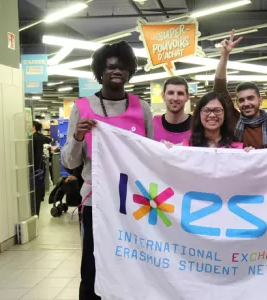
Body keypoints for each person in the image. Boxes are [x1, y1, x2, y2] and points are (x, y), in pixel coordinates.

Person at [60, 41, 154, 300]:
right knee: (92, 264)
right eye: (111, 66)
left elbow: (152, 156)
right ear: (100, 71)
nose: (117, 71)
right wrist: (79, 137)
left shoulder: (142, 108)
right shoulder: (83, 107)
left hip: (133, 202)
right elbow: (70, 162)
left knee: (133, 261)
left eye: (123, 67)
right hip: (97, 201)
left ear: (129, 72)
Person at [213, 30, 267, 148]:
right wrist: (224, 56)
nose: (246, 103)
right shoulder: (233, 119)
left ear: (260, 100)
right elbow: (219, 88)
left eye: (250, 98)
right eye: (241, 100)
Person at [164, 92, 252, 150]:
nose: (212, 115)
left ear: (224, 115)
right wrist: (165, 149)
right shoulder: (186, 146)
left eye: (217, 110)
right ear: (199, 114)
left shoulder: (237, 148)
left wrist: (252, 155)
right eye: (206, 110)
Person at [153, 76, 193, 144]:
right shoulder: (152, 125)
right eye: (170, 93)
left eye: (180, 93)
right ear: (163, 96)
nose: (175, 98)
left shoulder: (198, 126)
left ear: (187, 97)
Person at [31, 121, 52, 216]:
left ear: (33, 127)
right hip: (40, 165)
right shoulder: (40, 136)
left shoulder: (33, 137)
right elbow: (50, 140)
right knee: (39, 185)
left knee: (34, 188)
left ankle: (34, 211)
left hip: (33, 166)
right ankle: (38, 208)